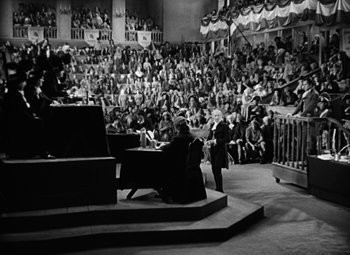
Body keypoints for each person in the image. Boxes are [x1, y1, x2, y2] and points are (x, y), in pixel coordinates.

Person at [3, 70, 54, 159]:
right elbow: (19, 112)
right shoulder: (13, 96)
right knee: (40, 124)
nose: (25, 83)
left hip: (24, 118)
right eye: (23, 82)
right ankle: (43, 151)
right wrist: (33, 118)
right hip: (19, 121)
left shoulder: (19, 94)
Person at [160, 116, 207, 203]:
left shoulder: (178, 138)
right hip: (192, 166)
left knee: (164, 167)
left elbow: (168, 148)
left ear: (177, 127)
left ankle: (167, 194)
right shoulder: (192, 137)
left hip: (181, 168)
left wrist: (161, 146)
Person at [207, 109, 230, 192]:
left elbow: (227, 139)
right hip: (213, 149)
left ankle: (220, 188)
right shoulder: (212, 125)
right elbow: (210, 136)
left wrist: (215, 141)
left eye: (218, 115)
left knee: (217, 169)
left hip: (220, 150)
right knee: (214, 169)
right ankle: (217, 187)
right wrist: (209, 141)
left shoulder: (224, 125)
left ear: (221, 116)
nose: (216, 117)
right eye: (215, 116)